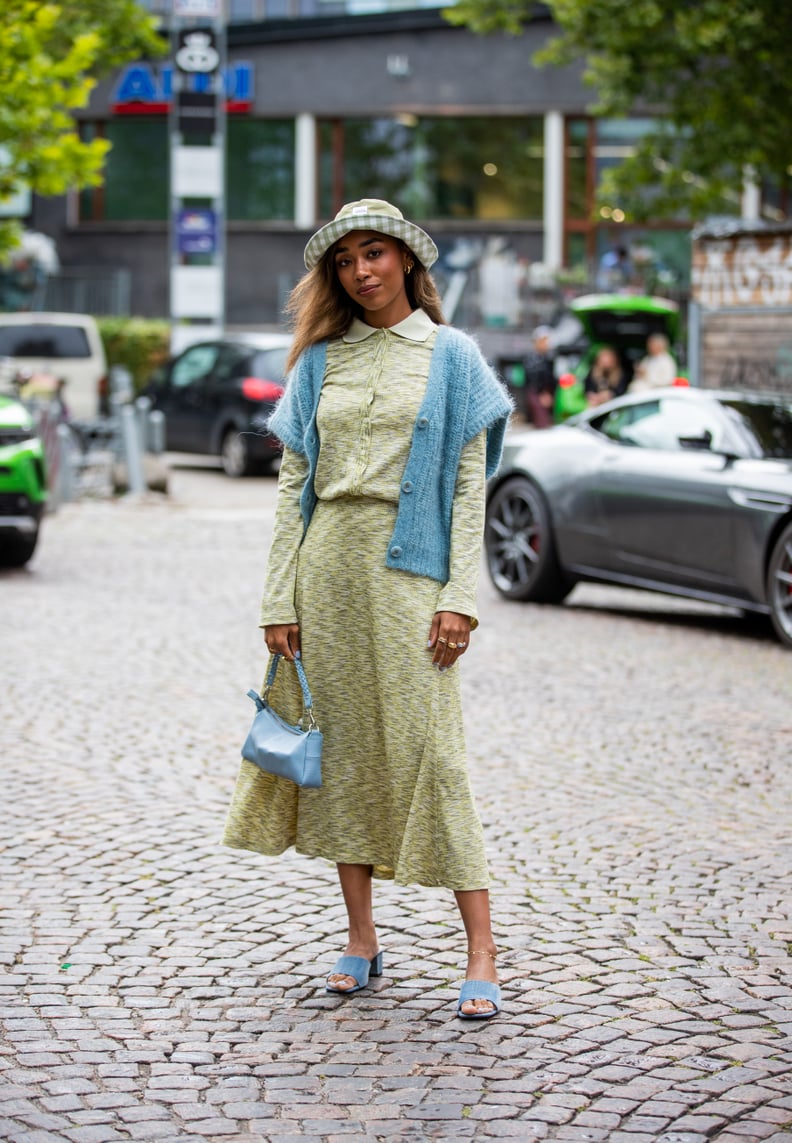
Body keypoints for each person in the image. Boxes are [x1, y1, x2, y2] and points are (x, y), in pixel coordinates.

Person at [223, 199, 513, 1020]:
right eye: (347, 259)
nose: (362, 270)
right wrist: (278, 594)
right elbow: (293, 485)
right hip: (326, 578)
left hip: (410, 576)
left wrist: (461, 595)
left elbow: (467, 484)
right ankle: (360, 937)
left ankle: (481, 949)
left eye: (375, 253)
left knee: (434, 755)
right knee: (342, 756)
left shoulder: (453, 356)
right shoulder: (319, 361)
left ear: (407, 262)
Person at [523, 325, 557, 428]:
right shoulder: (532, 359)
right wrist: (543, 393)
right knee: (542, 424)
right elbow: (534, 379)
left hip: (547, 393)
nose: (546, 344)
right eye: (544, 341)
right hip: (537, 394)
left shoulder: (548, 357)